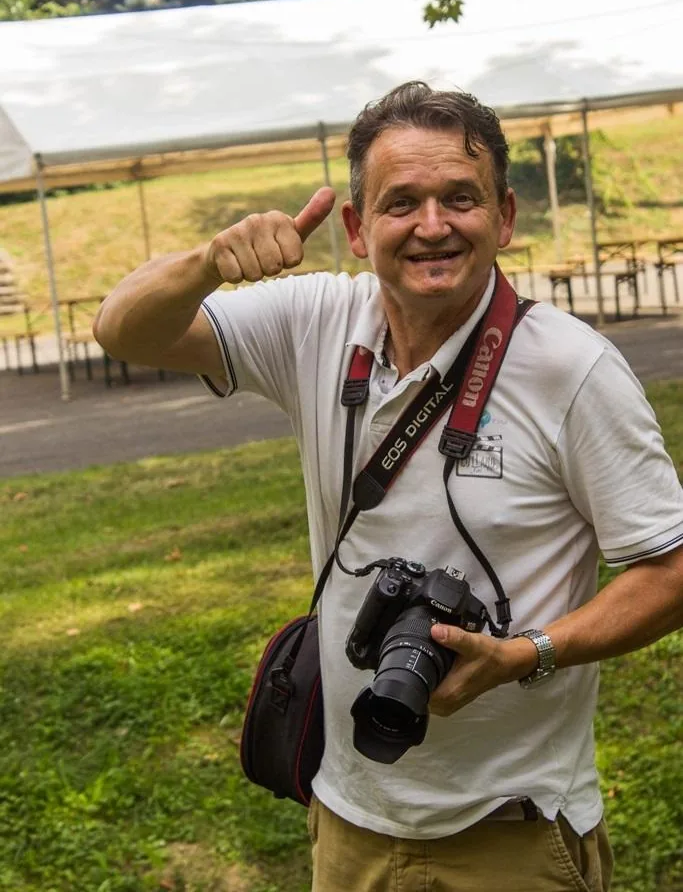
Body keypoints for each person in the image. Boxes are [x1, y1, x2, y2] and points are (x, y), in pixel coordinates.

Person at [94, 81, 683, 892]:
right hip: (349, 817)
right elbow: (125, 329)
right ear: (355, 225)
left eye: (459, 199)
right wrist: (205, 264)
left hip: (511, 830)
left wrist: (525, 652)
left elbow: (669, 571)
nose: (431, 226)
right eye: (400, 202)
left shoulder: (571, 370)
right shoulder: (316, 322)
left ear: (504, 217)